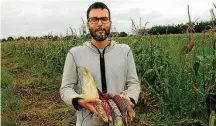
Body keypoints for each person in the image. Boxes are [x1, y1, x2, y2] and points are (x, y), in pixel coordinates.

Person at [60, 2, 140, 126]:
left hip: (119, 120)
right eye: (94, 19)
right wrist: (79, 100)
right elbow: (65, 89)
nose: (99, 23)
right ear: (87, 24)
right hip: (87, 122)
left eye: (104, 19)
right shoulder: (74, 54)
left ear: (110, 23)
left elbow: (133, 83)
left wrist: (130, 98)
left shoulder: (125, 51)